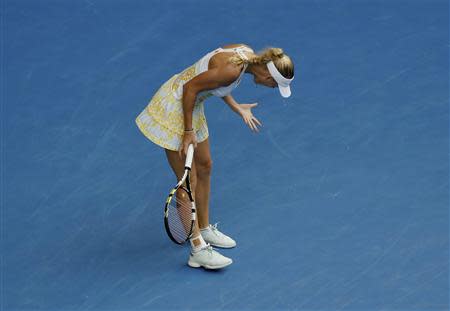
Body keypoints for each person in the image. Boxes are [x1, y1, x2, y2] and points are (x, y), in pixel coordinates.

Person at [135, 43, 294, 269]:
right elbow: (191, 88)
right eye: (274, 85)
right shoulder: (231, 71)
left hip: (192, 105)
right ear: (268, 76)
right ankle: (197, 249)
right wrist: (188, 132)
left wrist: (236, 106)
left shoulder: (244, 54)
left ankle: (204, 228)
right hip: (177, 106)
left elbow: (213, 82)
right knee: (187, 181)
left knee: (205, 165)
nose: (270, 88)